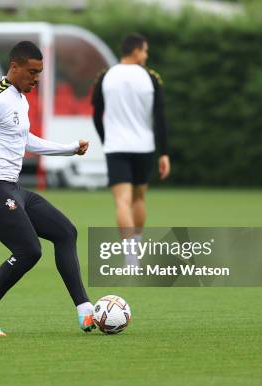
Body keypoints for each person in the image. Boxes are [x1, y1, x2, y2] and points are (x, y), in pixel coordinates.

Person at [0, 41, 94, 336]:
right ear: (14, 67)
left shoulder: (20, 98)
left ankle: (85, 310)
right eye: (31, 72)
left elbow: (25, 140)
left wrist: (68, 149)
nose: (36, 79)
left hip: (11, 187)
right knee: (29, 250)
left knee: (66, 232)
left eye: (39, 73)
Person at [91, 33, 171, 266]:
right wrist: (164, 152)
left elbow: (96, 115)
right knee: (139, 199)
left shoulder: (105, 76)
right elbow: (160, 118)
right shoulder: (151, 77)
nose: (146, 56)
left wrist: (107, 138)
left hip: (116, 147)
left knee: (122, 202)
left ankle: (129, 256)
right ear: (136, 51)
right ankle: (136, 245)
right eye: (145, 51)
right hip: (144, 147)